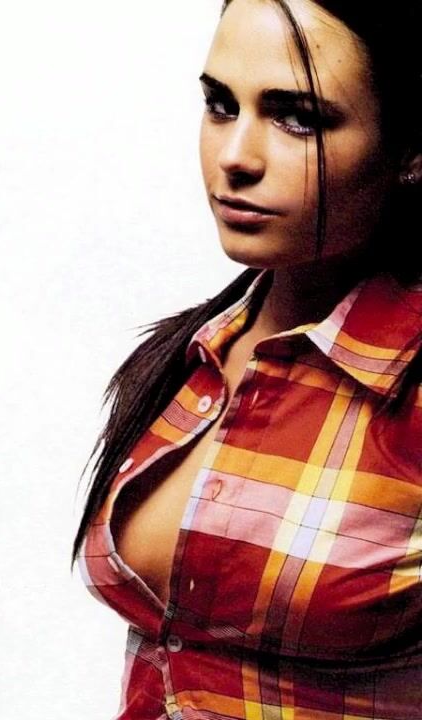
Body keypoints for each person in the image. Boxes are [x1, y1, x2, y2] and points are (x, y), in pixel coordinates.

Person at [72, 1, 422, 718]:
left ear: (410, 150)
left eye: (298, 118)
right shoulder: (188, 359)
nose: (236, 156)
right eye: (221, 106)